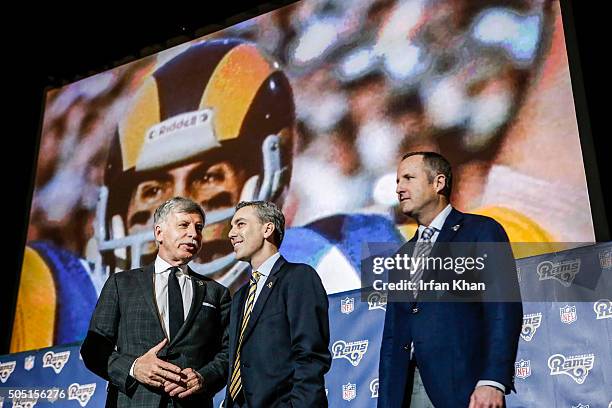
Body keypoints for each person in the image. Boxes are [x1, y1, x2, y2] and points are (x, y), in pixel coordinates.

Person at [378, 152, 523, 408]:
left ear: (439, 183)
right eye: (397, 182)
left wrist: (493, 380)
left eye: (408, 178)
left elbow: (502, 308)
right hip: (406, 392)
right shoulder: (402, 255)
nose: (399, 188)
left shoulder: (480, 231)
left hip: (464, 388)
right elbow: (392, 336)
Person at [81, 197, 230, 408]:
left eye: (199, 228)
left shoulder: (217, 293)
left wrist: (204, 378)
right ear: (159, 232)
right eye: (184, 225)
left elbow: (229, 352)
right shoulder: (122, 284)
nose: (193, 234)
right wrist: (133, 368)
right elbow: (93, 349)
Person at [224, 201, 331, 407]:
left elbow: (310, 355)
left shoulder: (298, 277)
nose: (231, 233)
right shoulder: (240, 296)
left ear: (267, 229)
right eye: (232, 226)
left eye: (240, 224)